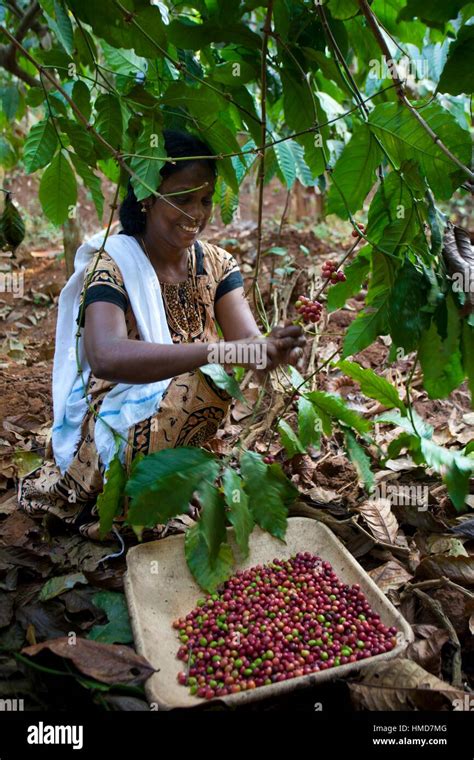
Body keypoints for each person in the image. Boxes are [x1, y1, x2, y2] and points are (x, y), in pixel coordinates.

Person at [18, 130, 305, 541]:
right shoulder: (112, 263)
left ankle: (173, 481)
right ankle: (118, 504)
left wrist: (271, 351)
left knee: (210, 376)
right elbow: (106, 355)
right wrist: (210, 352)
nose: (197, 213)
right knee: (206, 375)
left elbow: (248, 345)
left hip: (181, 435)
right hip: (115, 426)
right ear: (147, 196)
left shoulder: (218, 265)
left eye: (205, 200)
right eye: (182, 199)